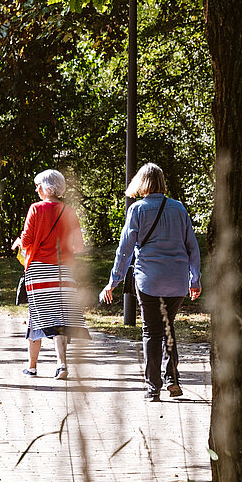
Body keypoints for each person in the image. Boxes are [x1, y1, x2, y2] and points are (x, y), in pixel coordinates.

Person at [101, 163, 201, 401]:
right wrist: (194, 278)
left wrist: (113, 281)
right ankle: (172, 380)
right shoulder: (178, 209)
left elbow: (124, 250)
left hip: (149, 279)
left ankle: (152, 387)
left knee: (151, 331)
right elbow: (192, 247)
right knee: (168, 327)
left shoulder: (137, 210)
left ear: (141, 182)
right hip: (177, 281)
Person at [13, 169, 85, 379]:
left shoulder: (36, 209)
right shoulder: (70, 211)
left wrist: (19, 242)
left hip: (38, 270)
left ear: (47, 187)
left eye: (39, 185)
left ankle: (32, 366)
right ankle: (62, 365)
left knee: (36, 316)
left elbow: (26, 240)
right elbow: (79, 246)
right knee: (60, 317)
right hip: (64, 271)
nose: (36, 189)